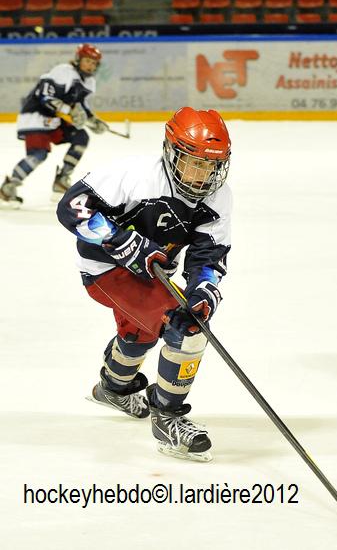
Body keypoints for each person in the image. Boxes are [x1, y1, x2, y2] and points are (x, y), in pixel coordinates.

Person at [56, 107, 232, 461]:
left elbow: (209, 256)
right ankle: (167, 418)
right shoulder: (132, 175)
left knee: (143, 332)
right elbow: (71, 207)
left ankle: (114, 388)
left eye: (212, 166)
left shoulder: (218, 198)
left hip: (150, 275)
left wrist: (202, 291)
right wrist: (121, 240)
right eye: (194, 163)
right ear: (171, 152)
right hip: (105, 270)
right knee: (186, 331)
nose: (203, 175)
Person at [0, 43, 108, 207]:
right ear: (78, 59)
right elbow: (45, 97)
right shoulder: (64, 71)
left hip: (55, 121)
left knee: (81, 136)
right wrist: (69, 110)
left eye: (94, 63)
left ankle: (62, 179)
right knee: (38, 154)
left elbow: (80, 106)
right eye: (87, 61)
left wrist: (93, 120)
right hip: (36, 117)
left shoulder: (89, 81)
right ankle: (8, 188)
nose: (90, 66)